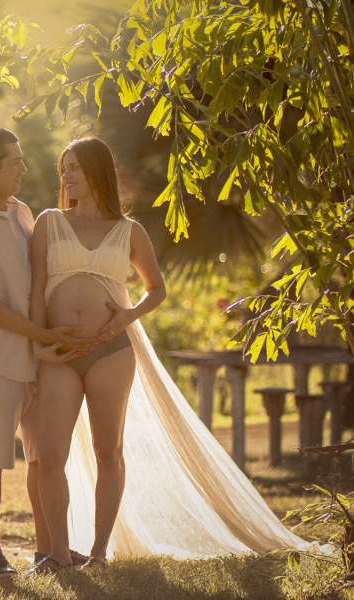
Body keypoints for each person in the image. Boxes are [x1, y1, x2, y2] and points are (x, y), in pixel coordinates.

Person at [26, 136, 306, 574]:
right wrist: (40, 343)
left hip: (110, 352)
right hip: (59, 354)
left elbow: (156, 289)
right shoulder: (49, 222)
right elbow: (36, 288)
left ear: (97, 171)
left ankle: (98, 553)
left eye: (75, 167)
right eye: (64, 168)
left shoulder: (129, 231)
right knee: (49, 454)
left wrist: (127, 316)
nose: (66, 175)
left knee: (108, 452)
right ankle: (58, 554)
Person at [0, 127, 96, 579]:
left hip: (38, 358)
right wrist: (42, 334)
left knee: (42, 458)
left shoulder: (21, 211)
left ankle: (49, 551)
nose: (24, 169)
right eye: (15, 162)